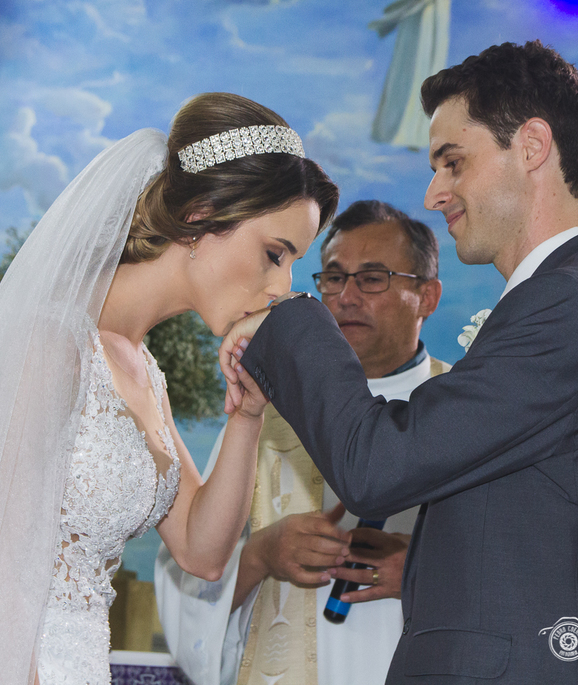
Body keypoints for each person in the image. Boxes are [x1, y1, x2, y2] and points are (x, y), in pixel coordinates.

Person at [0, 93, 338, 685]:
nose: (281, 287)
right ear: (198, 216)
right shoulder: (52, 345)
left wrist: (247, 416)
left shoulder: (140, 369)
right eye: (273, 254)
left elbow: (201, 552)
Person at [221, 42, 578, 683]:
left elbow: (377, 466)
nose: (434, 194)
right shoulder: (576, 294)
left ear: (532, 147)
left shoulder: (569, 301)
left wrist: (288, 314)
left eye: (453, 163)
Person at [156, 201, 447, 685]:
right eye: (333, 278)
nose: (346, 297)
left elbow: (532, 567)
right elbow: (188, 564)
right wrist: (260, 555)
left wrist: (426, 574)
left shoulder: (461, 413)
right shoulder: (264, 412)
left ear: (427, 296)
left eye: (372, 278)